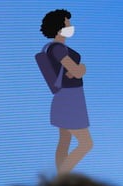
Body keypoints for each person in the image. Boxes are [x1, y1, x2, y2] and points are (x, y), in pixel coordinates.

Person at [40, 9, 93, 174]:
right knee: (86, 143)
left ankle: (61, 181)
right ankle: (62, 179)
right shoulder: (58, 49)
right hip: (70, 98)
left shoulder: (52, 48)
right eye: (67, 23)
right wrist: (82, 68)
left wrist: (76, 70)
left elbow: (71, 72)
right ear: (58, 27)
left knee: (65, 139)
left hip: (65, 97)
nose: (70, 26)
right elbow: (76, 72)